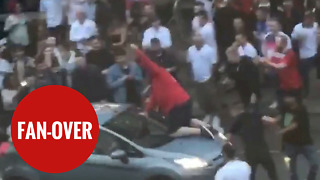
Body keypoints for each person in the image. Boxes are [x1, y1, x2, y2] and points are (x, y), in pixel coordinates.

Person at [131, 44, 217, 138]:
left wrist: (137, 52)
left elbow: (148, 63)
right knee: (187, 120)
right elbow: (153, 100)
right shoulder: (156, 83)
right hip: (185, 101)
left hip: (176, 105)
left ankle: (201, 131)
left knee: (173, 131)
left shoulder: (158, 72)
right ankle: (209, 128)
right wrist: (146, 112)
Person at [265, 96, 319, 180]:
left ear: (295, 99)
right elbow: (283, 118)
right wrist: (271, 120)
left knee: (314, 164)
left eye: (289, 97)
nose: (286, 98)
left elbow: (295, 125)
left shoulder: (301, 110)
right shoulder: (287, 109)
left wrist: (282, 131)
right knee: (292, 168)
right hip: (290, 143)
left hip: (305, 142)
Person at [227, 103, 278, 180]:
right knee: (271, 171)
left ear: (235, 111)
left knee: (251, 174)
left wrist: (228, 145)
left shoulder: (238, 119)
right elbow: (271, 121)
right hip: (263, 149)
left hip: (250, 151)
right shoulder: (256, 115)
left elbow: (229, 134)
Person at [187, 34, 222, 132]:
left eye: (198, 41)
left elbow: (214, 63)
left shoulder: (209, 50)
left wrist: (212, 77)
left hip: (208, 78)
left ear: (202, 41)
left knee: (212, 97)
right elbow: (190, 63)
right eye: (195, 42)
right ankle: (207, 113)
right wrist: (192, 76)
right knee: (201, 98)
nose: (196, 44)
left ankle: (215, 115)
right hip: (197, 79)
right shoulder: (191, 50)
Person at [263, 35, 302, 109]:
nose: (276, 43)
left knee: (296, 105)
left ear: (284, 43)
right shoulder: (276, 51)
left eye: (278, 42)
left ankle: (298, 118)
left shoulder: (290, 53)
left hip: (293, 83)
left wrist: (268, 63)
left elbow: (281, 66)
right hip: (283, 83)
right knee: (284, 104)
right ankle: (284, 117)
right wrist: (266, 64)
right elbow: (272, 62)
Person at [291, 11, 318, 97]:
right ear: (305, 19)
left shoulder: (316, 26)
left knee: (305, 74)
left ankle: (305, 90)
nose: (312, 21)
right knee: (302, 74)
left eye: (313, 19)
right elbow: (293, 42)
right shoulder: (298, 29)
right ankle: (302, 90)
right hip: (302, 55)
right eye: (310, 19)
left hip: (312, 53)